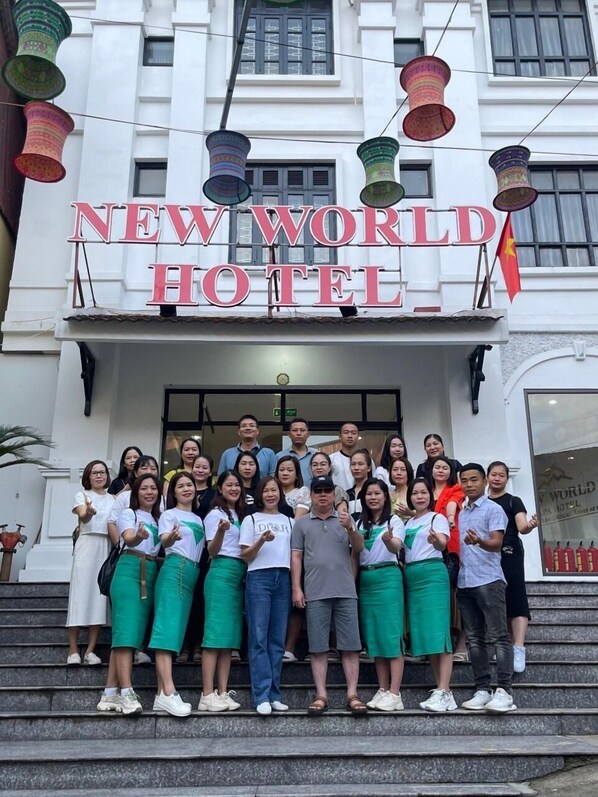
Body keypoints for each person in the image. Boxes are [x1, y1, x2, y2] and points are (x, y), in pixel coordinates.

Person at [291, 475, 367, 716]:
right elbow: (296, 557)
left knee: (351, 646)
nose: (323, 495)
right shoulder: (301, 524)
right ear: (312, 495)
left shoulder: (346, 519)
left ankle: (352, 694)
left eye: (327, 490)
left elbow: (359, 548)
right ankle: (321, 694)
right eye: (318, 491)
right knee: (317, 647)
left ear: (334, 495)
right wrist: (296, 587)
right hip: (315, 591)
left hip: (345, 590)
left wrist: (350, 528)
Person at [97, 474, 162, 714]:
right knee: (125, 634)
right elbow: (129, 539)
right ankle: (126, 692)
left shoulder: (158, 518)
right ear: (136, 492)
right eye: (144, 488)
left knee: (128, 634)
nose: (149, 492)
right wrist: (138, 536)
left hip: (150, 572)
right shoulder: (129, 513)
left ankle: (109, 693)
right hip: (128, 571)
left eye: (153, 488)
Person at [457, 463, 515, 713]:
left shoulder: (494, 509)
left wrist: (479, 541)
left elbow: (497, 543)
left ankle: (504, 691)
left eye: (474, 480)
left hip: (489, 580)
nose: (469, 484)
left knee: (499, 637)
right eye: (464, 480)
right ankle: (482, 689)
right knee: (474, 639)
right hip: (465, 581)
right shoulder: (462, 512)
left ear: (484, 482)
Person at [282, 452, 349, 663]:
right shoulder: (304, 498)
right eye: (315, 464)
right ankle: (292, 648)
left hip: (337, 569)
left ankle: (333, 647)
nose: (322, 494)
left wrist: (348, 527)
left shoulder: (338, 494)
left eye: (323, 463)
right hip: (306, 560)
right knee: (302, 606)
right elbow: (297, 542)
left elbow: (351, 537)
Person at [149, 472, 205, 717]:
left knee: (176, 630)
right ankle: (169, 692)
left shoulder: (198, 518)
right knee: (167, 629)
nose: (186, 489)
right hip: (176, 568)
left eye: (189, 485)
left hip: (192, 572)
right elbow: (164, 540)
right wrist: (171, 537)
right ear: (173, 492)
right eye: (180, 486)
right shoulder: (169, 515)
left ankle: (160, 694)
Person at [239, 476, 293, 715]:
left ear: (280, 493)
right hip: (258, 578)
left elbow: (295, 554)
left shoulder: (290, 521)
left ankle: (274, 694)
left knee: (277, 639)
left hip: (284, 577)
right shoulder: (251, 519)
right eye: (266, 491)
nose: (271, 494)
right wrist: (261, 540)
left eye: (274, 490)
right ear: (260, 495)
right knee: (259, 637)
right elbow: (245, 555)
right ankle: (261, 695)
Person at [402, 478, 456, 712]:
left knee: (439, 632)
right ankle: (441, 690)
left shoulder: (437, 518)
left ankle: (444, 690)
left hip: (433, 574)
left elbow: (443, 543)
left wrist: (437, 541)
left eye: (424, 492)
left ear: (430, 496)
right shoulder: (407, 523)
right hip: (412, 576)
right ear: (410, 497)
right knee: (427, 635)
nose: (419, 496)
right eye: (415, 493)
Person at [354, 478, 405, 712]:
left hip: (388, 578)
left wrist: (388, 540)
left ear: (386, 496)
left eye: (377, 493)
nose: (373, 497)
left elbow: (396, 547)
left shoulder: (394, 521)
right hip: (367, 579)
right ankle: (383, 689)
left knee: (391, 634)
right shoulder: (359, 523)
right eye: (369, 494)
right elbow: (355, 552)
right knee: (374, 636)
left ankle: (395, 693)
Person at [201, 469, 247, 712]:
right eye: (229, 484)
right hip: (220, 572)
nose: (234, 488)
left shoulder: (239, 514)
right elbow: (212, 550)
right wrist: (221, 530)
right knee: (214, 636)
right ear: (219, 488)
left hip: (238, 574)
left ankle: (222, 691)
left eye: (237, 485)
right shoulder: (215, 515)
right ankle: (207, 694)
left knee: (228, 638)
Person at [487, 461, 538, 674]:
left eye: (502, 475)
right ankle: (504, 645)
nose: (497, 478)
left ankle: (518, 647)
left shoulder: (513, 501)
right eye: (494, 474)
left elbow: (522, 526)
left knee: (515, 595)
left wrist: (530, 526)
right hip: (487, 553)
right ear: (487, 477)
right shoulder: (481, 502)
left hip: (509, 552)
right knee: (497, 599)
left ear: (507, 479)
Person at [66, 460, 115, 666]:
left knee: (98, 598)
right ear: (88, 476)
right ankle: (73, 650)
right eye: (95, 473)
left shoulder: (113, 499)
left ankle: (90, 650)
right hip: (86, 545)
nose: (99, 476)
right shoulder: (82, 495)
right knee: (79, 596)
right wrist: (89, 513)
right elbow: (83, 517)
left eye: (102, 472)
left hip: (105, 546)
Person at [176, 454, 216, 664]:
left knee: (201, 601)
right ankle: (183, 645)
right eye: (197, 467)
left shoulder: (214, 494)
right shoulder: (183, 490)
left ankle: (198, 644)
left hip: (205, 553)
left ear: (210, 472)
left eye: (205, 467)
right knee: (184, 601)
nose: (200, 470)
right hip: (183, 552)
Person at [275, 417, 317, 486]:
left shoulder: (316, 455)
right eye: (295, 430)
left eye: (302, 430)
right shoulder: (279, 456)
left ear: (308, 434)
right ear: (289, 434)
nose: (298, 433)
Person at [330, 422, 360, 491]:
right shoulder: (331, 459)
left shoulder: (366, 460)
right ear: (340, 436)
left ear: (358, 436)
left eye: (353, 433)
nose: (350, 436)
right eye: (346, 432)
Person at [347, 448, 373, 520]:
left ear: (369, 467)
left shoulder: (374, 491)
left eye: (360, 464)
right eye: (353, 464)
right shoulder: (347, 494)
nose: (356, 468)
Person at [389, 457, 415, 523]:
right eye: (395, 469)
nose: (399, 473)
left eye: (403, 470)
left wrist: (411, 513)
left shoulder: (414, 493)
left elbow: (424, 516)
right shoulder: (387, 495)